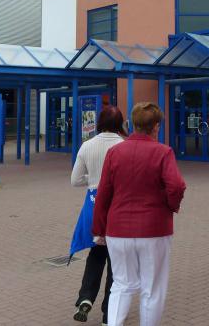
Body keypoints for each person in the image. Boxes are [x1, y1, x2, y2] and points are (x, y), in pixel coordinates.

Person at [93, 102, 186, 326]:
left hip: (117, 229)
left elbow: (103, 193)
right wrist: (170, 206)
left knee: (121, 285)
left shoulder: (114, 152)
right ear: (156, 126)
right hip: (154, 228)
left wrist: (99, 229)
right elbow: (176, 186)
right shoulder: (163, 152)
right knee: (152, 289)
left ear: (132, 124)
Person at [69, 106, 127, 324]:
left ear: (100, 122)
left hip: (93, 204)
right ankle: (108, 314)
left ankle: (86, 297)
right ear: (120, 123)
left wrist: (94, 180)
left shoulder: (87, 145)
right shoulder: (123, 146)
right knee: (116, 262)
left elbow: (75, 180)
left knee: (96, 253)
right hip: (117, 205)